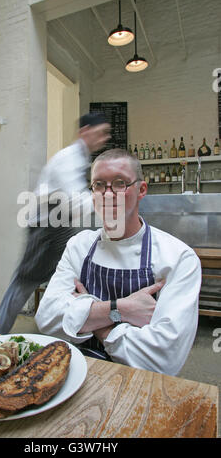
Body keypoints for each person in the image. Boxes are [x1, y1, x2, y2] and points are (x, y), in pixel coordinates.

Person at [35, 149, 202, 376]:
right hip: (75, 376)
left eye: (120, 183)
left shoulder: (178, 258)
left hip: (139, 385)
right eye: (99, 185)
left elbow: (163, 358)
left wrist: (95, 320)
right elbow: (47, 319)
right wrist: (121, 309)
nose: (108, 194)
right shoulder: (78, 246)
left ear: (141, 189)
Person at [0, 113, 111, 334]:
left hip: (60, 227)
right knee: (24, 283)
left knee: (66, 277)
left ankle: (63, 330)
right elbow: (75, 199)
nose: (104, 138)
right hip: (46, 229)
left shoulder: (82, 158)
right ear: (84, 131)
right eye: (100, 132)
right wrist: (107, 201)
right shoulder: (69, 157)